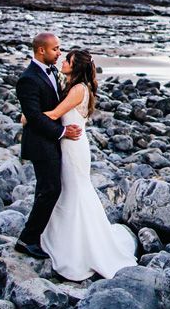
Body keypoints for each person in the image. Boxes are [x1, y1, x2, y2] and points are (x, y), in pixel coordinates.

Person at [29, 48, 138, 280]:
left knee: (75, 191)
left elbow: (56, 113)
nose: (62, 60)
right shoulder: (73, 86)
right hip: (68, 144)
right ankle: (63, 239)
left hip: (73, 148)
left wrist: (28, 116)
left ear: (74, 66)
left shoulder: (79, 89)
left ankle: (79, 248)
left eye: (67, 59)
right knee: (68, 192)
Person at [15, 32, 82, 259]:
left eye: (59, 48)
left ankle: (39, 236)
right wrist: (62, 131)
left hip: (52, 142)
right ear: (41, 50)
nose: (59, 52)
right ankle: (27, 239)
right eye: (55, 49)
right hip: (40, 143)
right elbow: (33, 116)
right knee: (50, 189)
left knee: (47, 189)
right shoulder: (28, 79)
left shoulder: (53, 71)